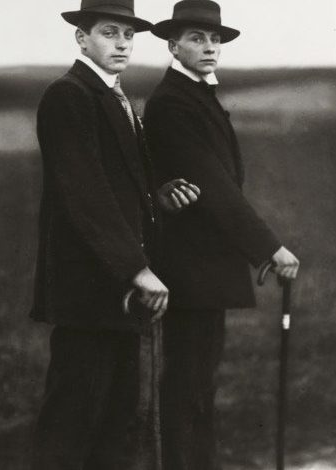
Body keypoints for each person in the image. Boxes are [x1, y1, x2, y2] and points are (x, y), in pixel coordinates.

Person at [29, 1, 200, 468]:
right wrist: (137, 268)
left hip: (117, 291)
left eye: (128, 34)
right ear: (81, 38)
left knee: (114, 422)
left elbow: (118, 184)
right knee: (71, 423)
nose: (122, 43)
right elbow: (84, 192)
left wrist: (157, 195)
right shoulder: (69, 96)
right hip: (88, 291)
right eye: (109, 32)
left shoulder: (114, 97)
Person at [143, 1, 300, 469]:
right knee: (188, 386)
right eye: (197, 38)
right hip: (190, 269)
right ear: (173, 45)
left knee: (199, 386)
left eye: (215, 40)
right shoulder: (173, 102)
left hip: (205, 269)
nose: (210, 47)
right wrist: (269, 248)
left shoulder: (196, 96)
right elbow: (213, 187)